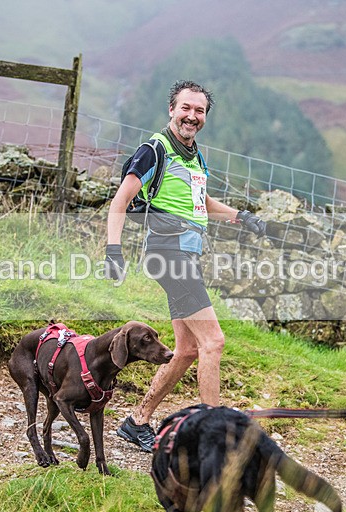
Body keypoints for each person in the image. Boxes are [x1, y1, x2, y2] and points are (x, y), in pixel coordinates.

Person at [105, 80, 266, 452]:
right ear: (172, 110)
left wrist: (239, 216)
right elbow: (120, 200)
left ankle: (137, 421)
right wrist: (114, 250)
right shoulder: (153, 150)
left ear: (205, 116)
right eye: (186, 108)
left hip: (185, 253)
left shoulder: (193, 155)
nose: (192, 116)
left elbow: (200, 200)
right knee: (214, 341)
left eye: (200, 110)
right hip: (168, 254)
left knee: (188, 349)